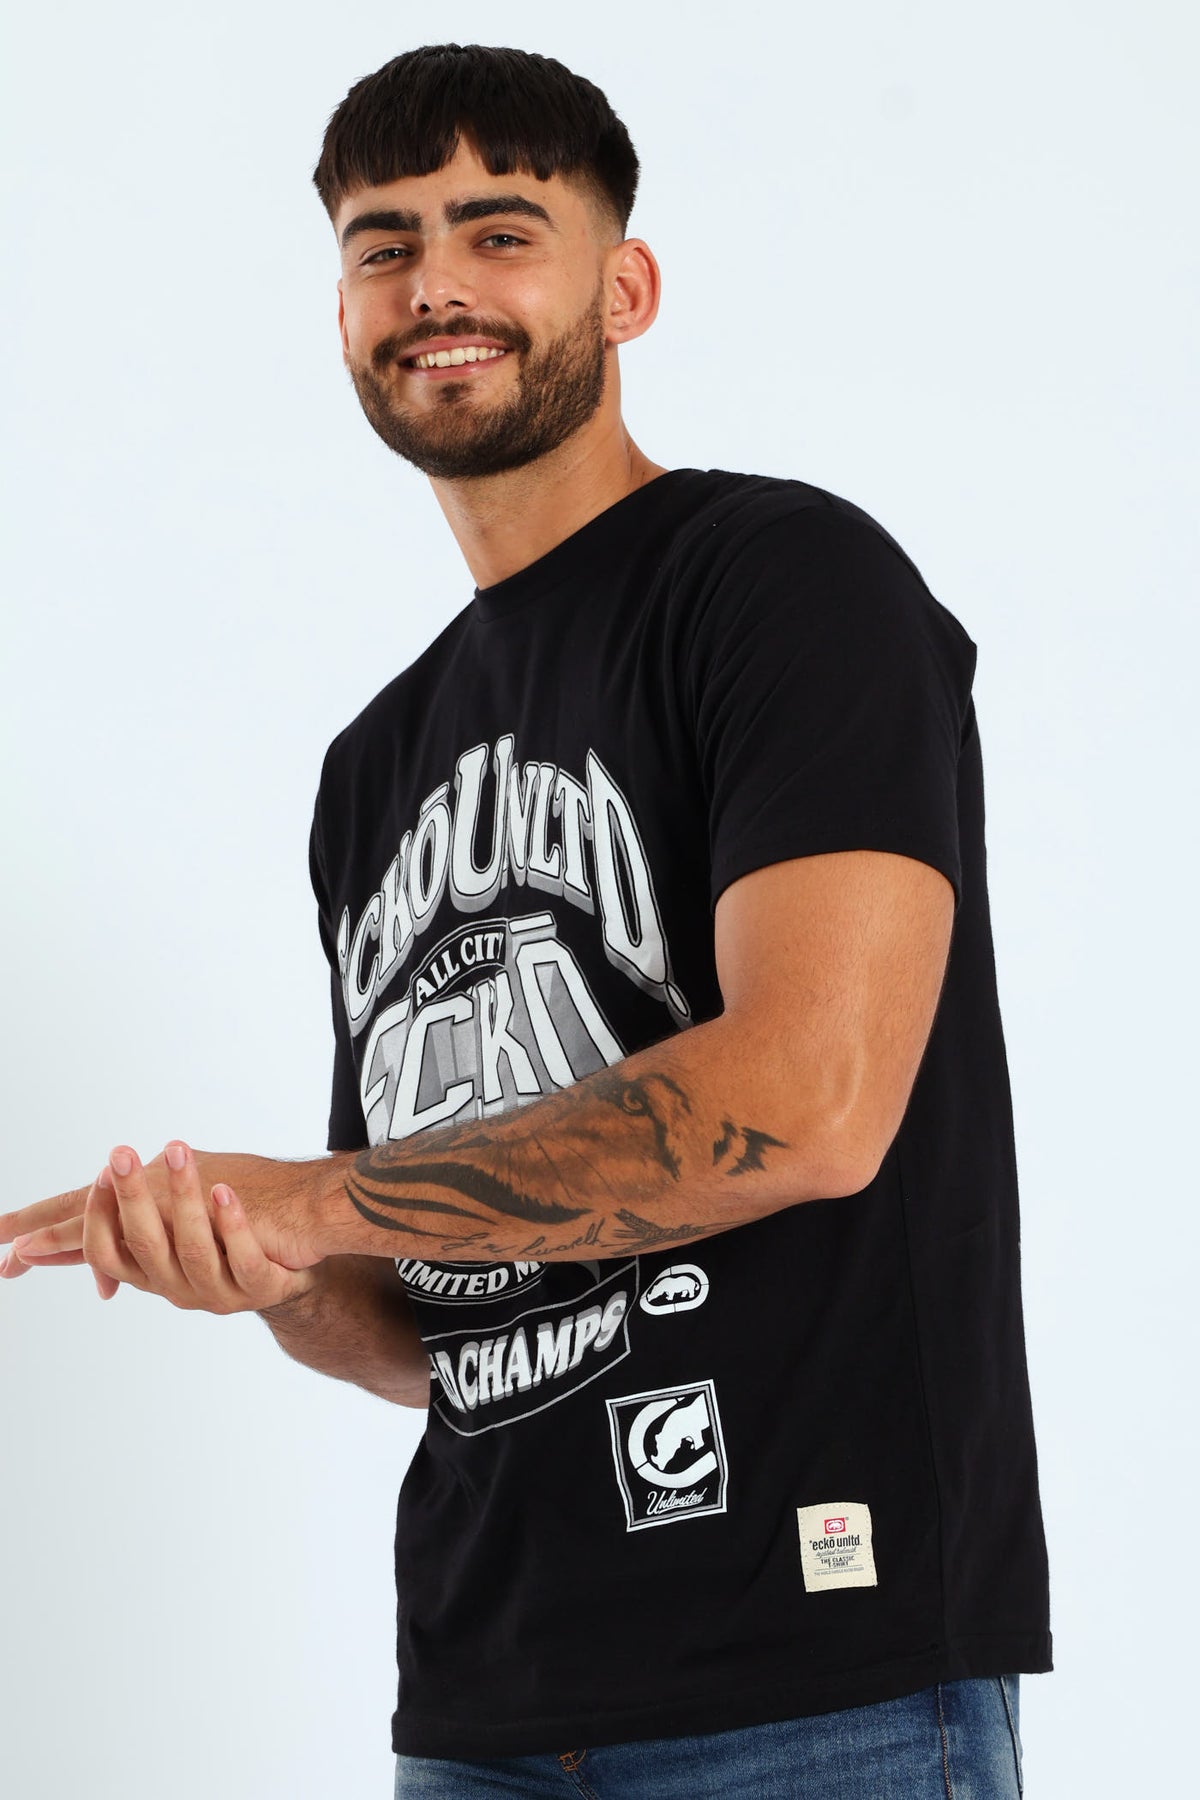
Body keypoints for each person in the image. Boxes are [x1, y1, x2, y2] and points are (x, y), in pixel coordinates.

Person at [1, 43, 1051, 1799]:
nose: (435, 286)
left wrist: (314, 1196)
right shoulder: (372, 766)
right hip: (483, 1706)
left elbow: (814, 1099)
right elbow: (431, 1319)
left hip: (818, 1681)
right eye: (384, 245)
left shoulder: (785, 585)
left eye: (499, 232)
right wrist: (266, 1271)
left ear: (623, 289)